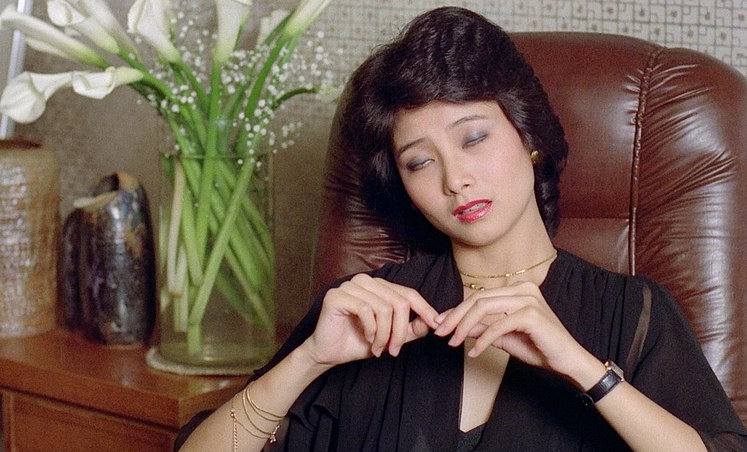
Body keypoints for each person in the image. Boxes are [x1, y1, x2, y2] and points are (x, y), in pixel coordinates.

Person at [177, 6, 747, 451]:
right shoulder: (364, 308)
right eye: (419, 162)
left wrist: (582, 368)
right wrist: (308, 360)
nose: (455, 180)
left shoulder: (631, 312)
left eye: (474, 138)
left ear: (528, 139)